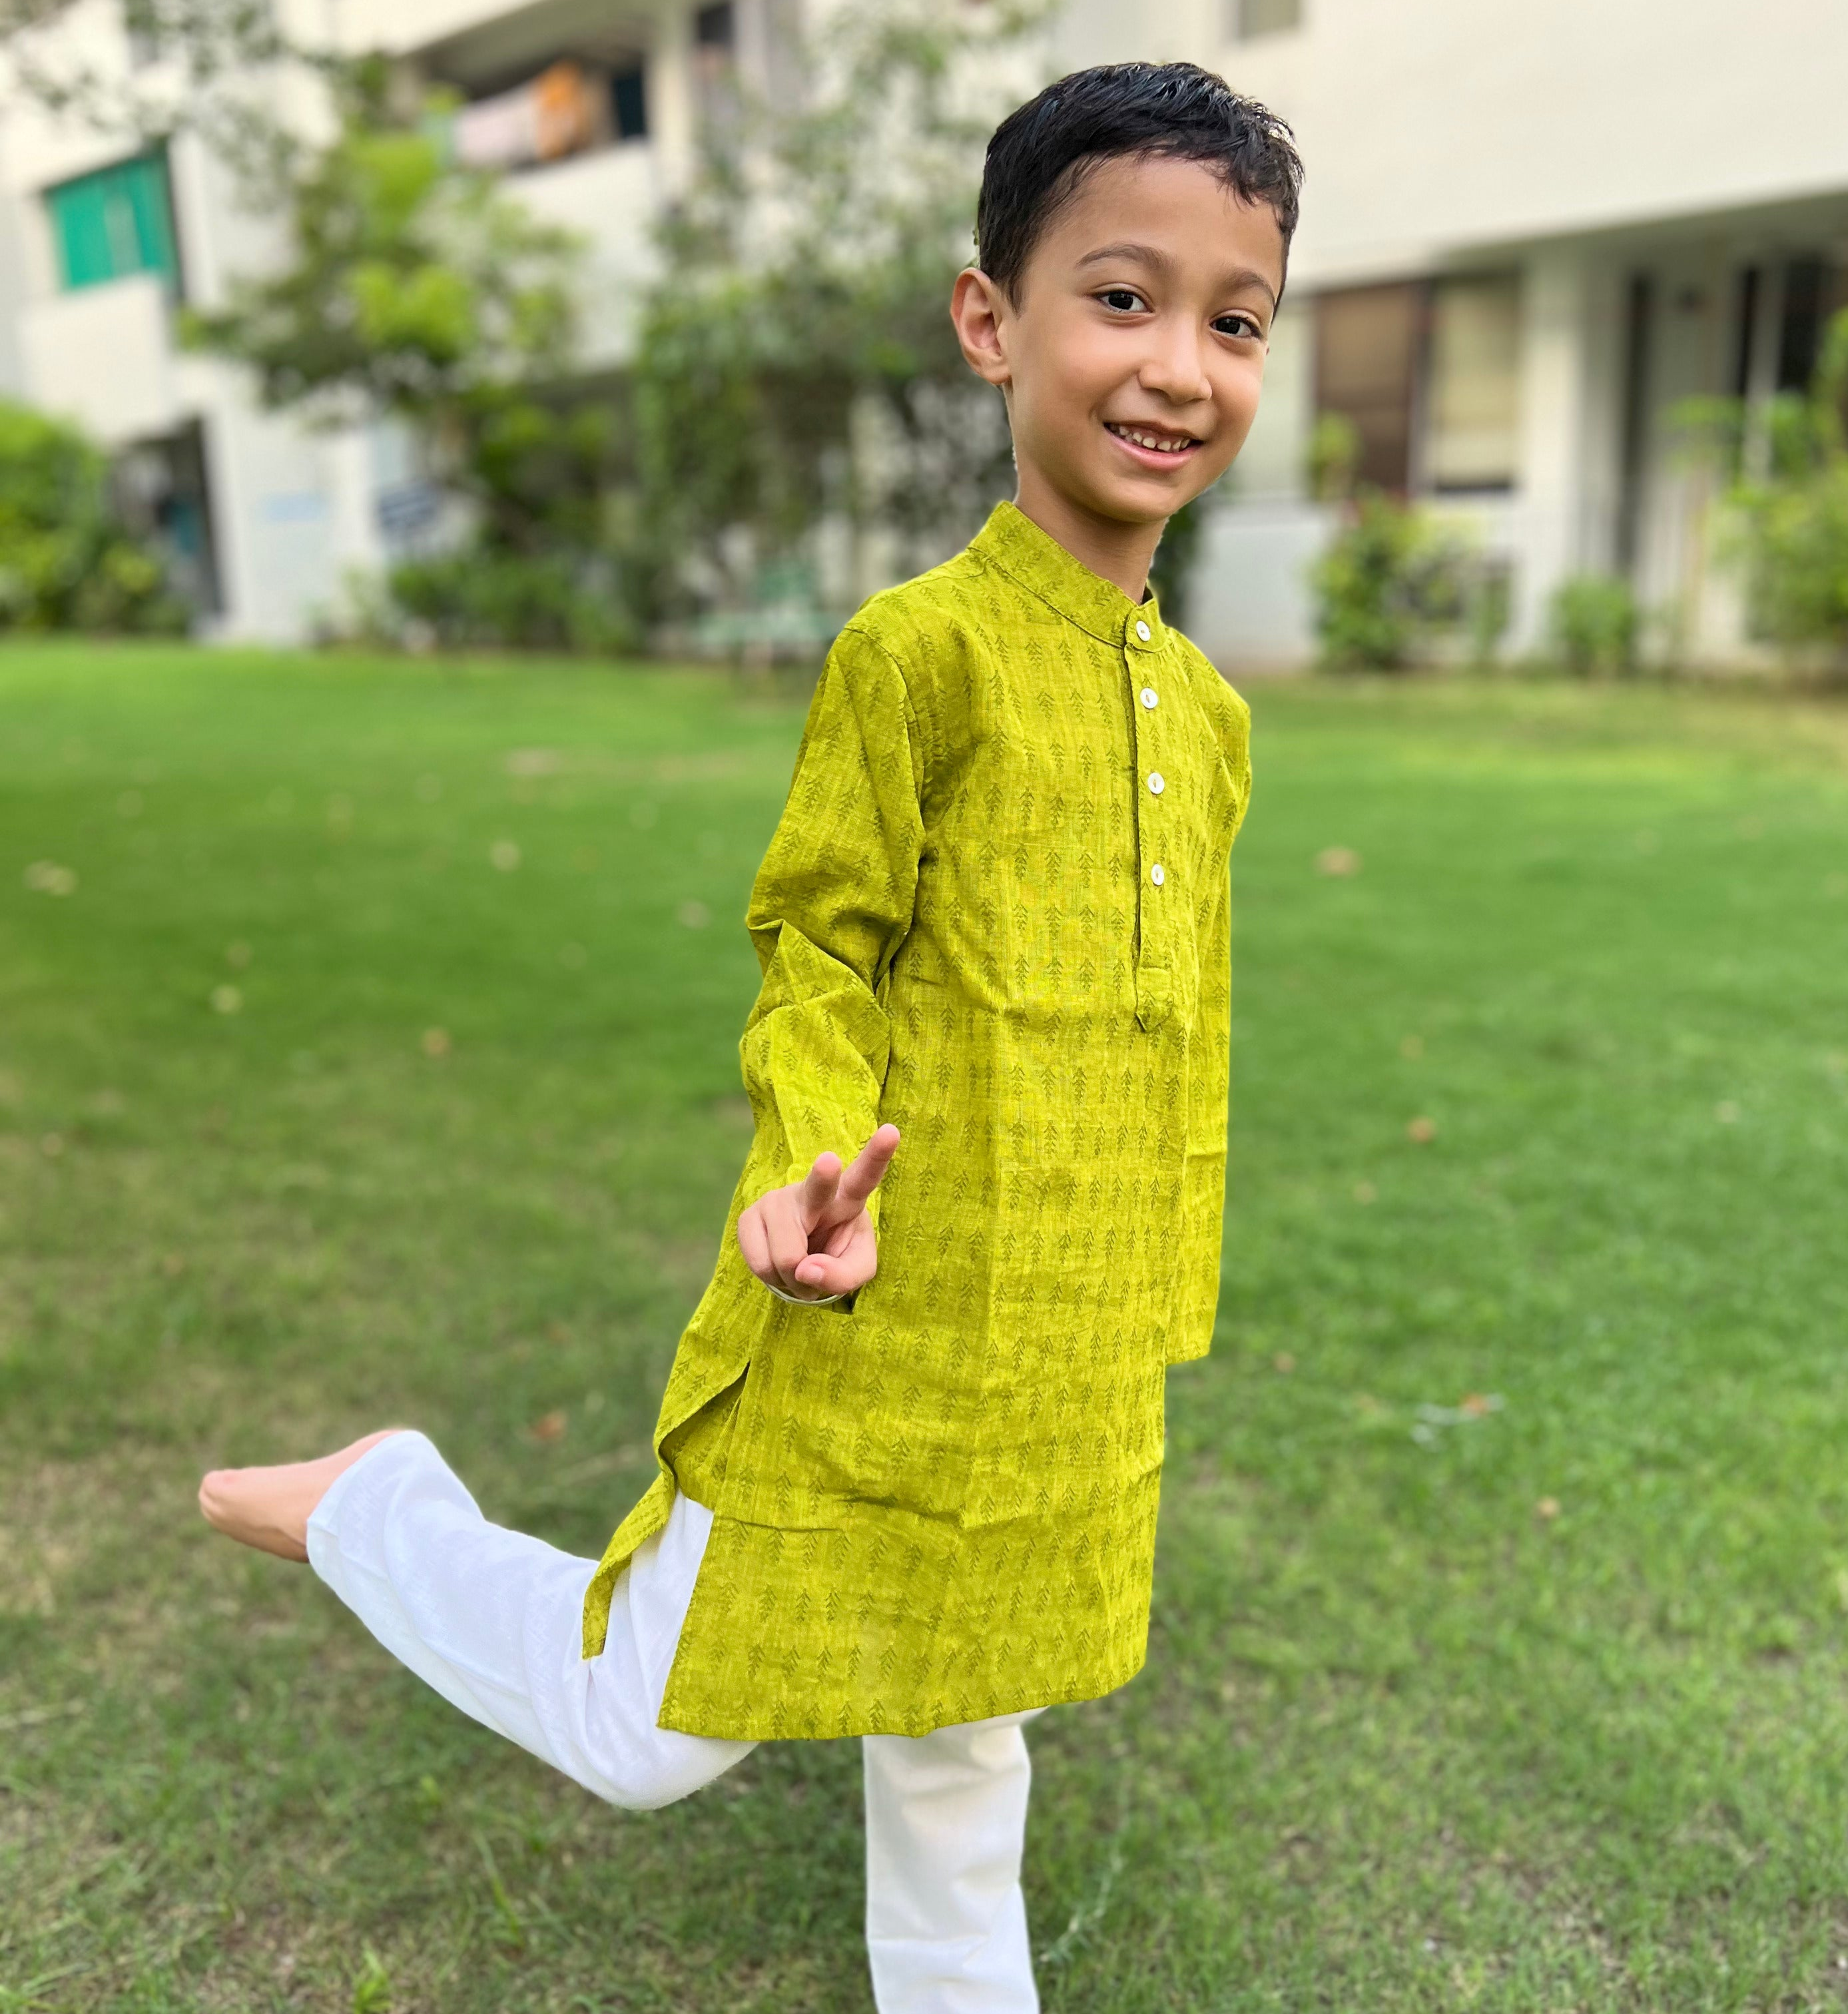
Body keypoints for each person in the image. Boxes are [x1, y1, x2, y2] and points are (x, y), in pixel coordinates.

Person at [199, 59, 1301, 2014]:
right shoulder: (919, 654)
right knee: (647, 1731)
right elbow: (817, 943)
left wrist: (1156, 1306)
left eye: (1235, 322)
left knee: (969, 1754)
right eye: (1121, 298)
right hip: (868, 1313)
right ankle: (383, 1503)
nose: (1178, 368)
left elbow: (1178, 1040)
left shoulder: (1209, 719)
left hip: (1068, 1358)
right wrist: (812, 1158)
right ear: (993, 320)